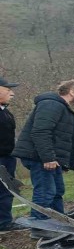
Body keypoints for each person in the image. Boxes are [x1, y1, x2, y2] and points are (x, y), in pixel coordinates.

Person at [12, 80, 74, 221]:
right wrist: (48, 158)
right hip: (40, 157)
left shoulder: (60, 107)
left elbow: (60, 138)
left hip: (50, 158)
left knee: (57, 191)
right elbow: (40, 132)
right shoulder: (51, 104)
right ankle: (39, 225)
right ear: (72, 91)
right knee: (45, 192)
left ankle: (59, 222)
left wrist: (63, 162)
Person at [0, 77, 24, 232]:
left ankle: (4, 220)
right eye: (8, 90)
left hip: (8, 157)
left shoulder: (5, 111)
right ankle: (3, 223)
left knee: (7, 189)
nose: (12, 93)